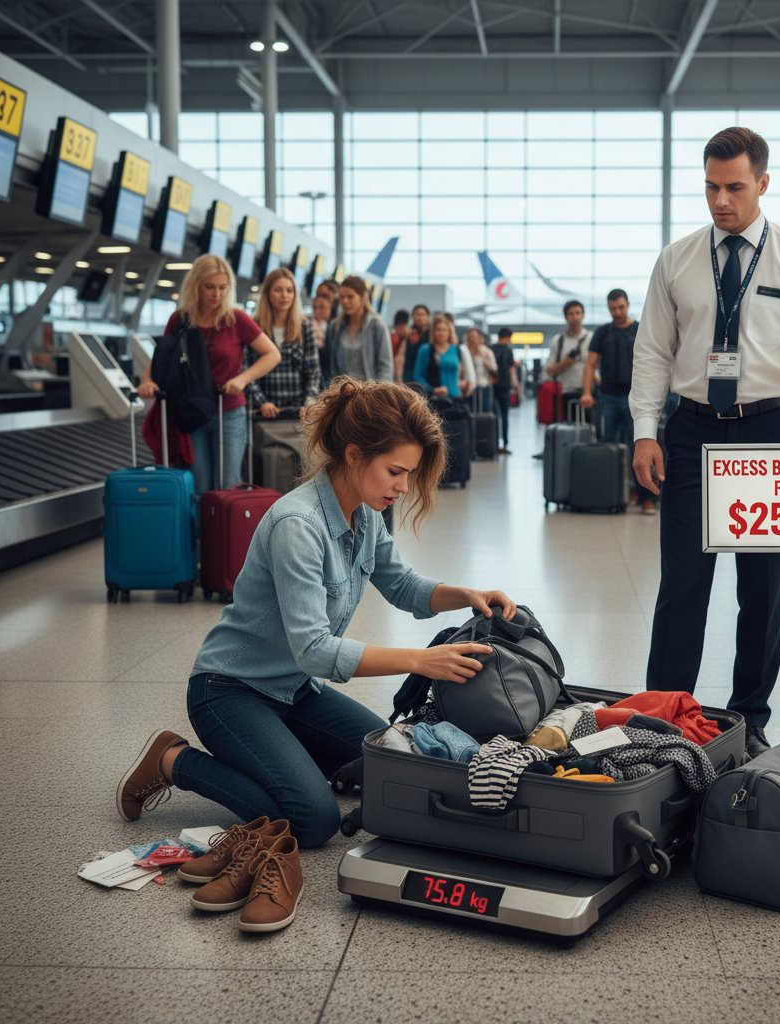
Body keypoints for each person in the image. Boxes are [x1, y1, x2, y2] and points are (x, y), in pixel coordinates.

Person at [115, 377, 517, 850]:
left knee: (391, 762)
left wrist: (468, 594)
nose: (404, 486)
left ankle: (285, 753)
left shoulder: (365, 514)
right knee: (313, 819)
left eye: (409, 473)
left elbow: (405, 587)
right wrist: (419, 661)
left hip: (295, 693)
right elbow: (314, 650)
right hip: (230, 693)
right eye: (395, 471)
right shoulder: (297, 525)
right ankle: (173, 760)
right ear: (353, 454)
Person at [630, 126, 780, 759]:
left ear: (763, 183)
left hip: (769, 428)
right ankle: (664, 716)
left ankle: (748, 718)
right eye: (710, 186)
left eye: (734, 187)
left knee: (762, 587)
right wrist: (647, 431)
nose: (720, 199)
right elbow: (653, 352)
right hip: (694, 428)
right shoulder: (676, 260)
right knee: (683, 583)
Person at [138, 254, 281, 494]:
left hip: (229, 411)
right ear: (196, 286)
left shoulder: (236, 319)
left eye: (223, 288)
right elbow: (163, 357)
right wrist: (146, 381)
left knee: (228, 484)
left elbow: (272, 354)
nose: (217, 294)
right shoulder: (181, 319)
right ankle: (200, 532)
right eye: (210, 287)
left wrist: (242, 378)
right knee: (199, 484)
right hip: (191, 413)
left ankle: (225, 532)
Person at [581, 289, 656, 514]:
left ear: (627, 305)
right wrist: (587, 392)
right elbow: (590, 365)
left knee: (640, 449)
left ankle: (646, 498)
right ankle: (610, 494)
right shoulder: (603, 333)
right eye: (613, 308)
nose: (617, 312)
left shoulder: (640, 330)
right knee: (609, 447)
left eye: (621, 307)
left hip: (636, 399)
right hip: (609, 398)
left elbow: (654, 363)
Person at [248, 267, 321, 418]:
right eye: (278, 290)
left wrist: (309, 403)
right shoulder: (253, 326)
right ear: (267, 293)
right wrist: (261, 402)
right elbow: (246, 370)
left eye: (289, 290)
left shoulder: (304, 326)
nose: (284, 296)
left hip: (298, 413)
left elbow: (313, 371)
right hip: (263, 413)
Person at [324, 275, 393, 383]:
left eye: (350, 297)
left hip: (371, 393)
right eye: (342, 297)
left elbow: (385, 367)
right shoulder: (335, 327)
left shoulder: (376, 325)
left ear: (363, 297)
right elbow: (331, 366)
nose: (345, 301)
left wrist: (382, 396)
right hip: (343, 393)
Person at [545, 299, 592, 407]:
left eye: (578, 313)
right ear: (566, 317)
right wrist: (565, 363)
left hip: (589, 393)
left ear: (583, 315)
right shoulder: (559, 340)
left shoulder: (592, 338)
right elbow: (548, 370)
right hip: (565, 392)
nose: (575, 317)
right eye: (571, 314)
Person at [413, 313, 469, 399]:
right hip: (433, 398)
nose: (441, 333)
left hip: (455, 397)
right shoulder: (425, 349)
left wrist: (463, 383)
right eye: (438, 329)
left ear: (450, 332)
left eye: (444, 330)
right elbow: (418, 376)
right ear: (433, 331)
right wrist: (432, 390)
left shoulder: (456, 349)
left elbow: (460, 373)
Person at [491, 327, 520, 455]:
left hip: (493, 386)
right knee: (504, 416)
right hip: (505, 386)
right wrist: (516, 384)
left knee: (494, 416)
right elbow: (511, 369)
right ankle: (505, 443)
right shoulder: (508, 350)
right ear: (508, 337)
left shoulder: (491, 348)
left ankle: (494, 443)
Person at [465, 327, 497, 412]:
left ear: (480, 338)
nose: (472, 339)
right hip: (468, 388)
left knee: (485, 411)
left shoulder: (487, 352)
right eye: (470, 337)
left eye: (474, 336)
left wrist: (483, 359)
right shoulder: (464, 352)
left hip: (483, 387)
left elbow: (494, 369)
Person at [400, 303, 431, 383]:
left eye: (423, 314)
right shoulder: (407, 333)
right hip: (409, 372)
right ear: (412, 317)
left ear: (428, 317)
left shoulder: (433, 334)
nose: (420, 317)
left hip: (427, 372)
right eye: (417, 314)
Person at [390, 309, 411, 380]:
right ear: (401, 326)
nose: (408, 330)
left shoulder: (394, 338)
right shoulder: (395, 339)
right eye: (407, 326)